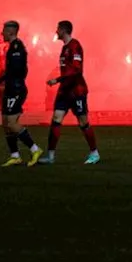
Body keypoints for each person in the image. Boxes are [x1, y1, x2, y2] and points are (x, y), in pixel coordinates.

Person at [42, 20, 98, 165]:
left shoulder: (75, 46)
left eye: (57, 29)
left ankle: (94, 153)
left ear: (63, 30)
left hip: (76, 90)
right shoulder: (64, 48)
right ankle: (50, 156)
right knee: (56, 119)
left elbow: (77, 71)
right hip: (64, 91)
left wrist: (57, 80)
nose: (56, 32)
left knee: (83, 122)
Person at [0, 21, 42, 167]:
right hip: (11, 88)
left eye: (3, 30)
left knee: (12, 123)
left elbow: (16, 70)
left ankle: (35, 149)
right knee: (5, 123)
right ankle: (15, 156)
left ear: (10, 31)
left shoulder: (17, 47)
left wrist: (1, 79)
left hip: (16, 89)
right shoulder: (12, 47)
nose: (1, 33)